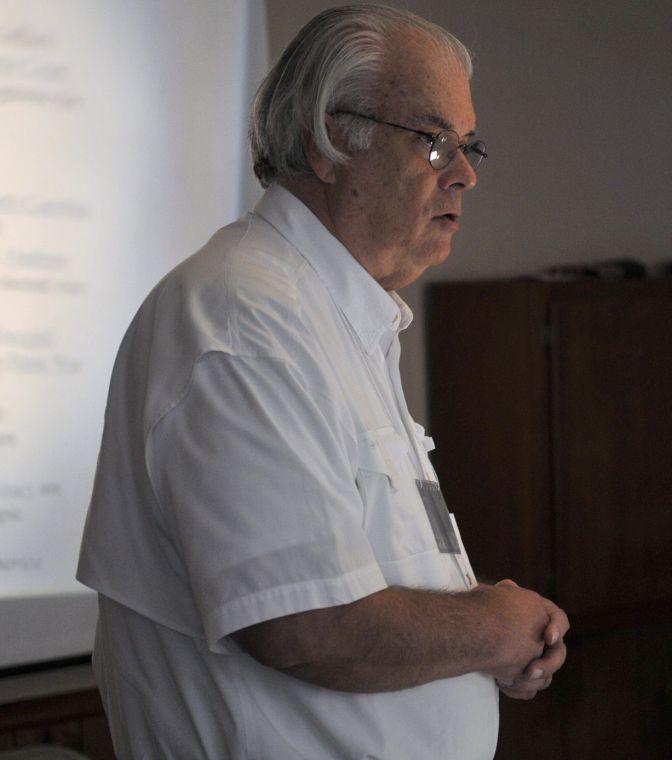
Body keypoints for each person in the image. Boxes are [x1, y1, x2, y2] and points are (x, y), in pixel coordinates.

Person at [77, 4, 569, 759]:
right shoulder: (244, 318)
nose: (466, 173)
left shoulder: (334, 316)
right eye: (435, 141)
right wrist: (494, 628)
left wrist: (485, 646)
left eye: (469, 146)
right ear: (330, 138)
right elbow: (304, 628)